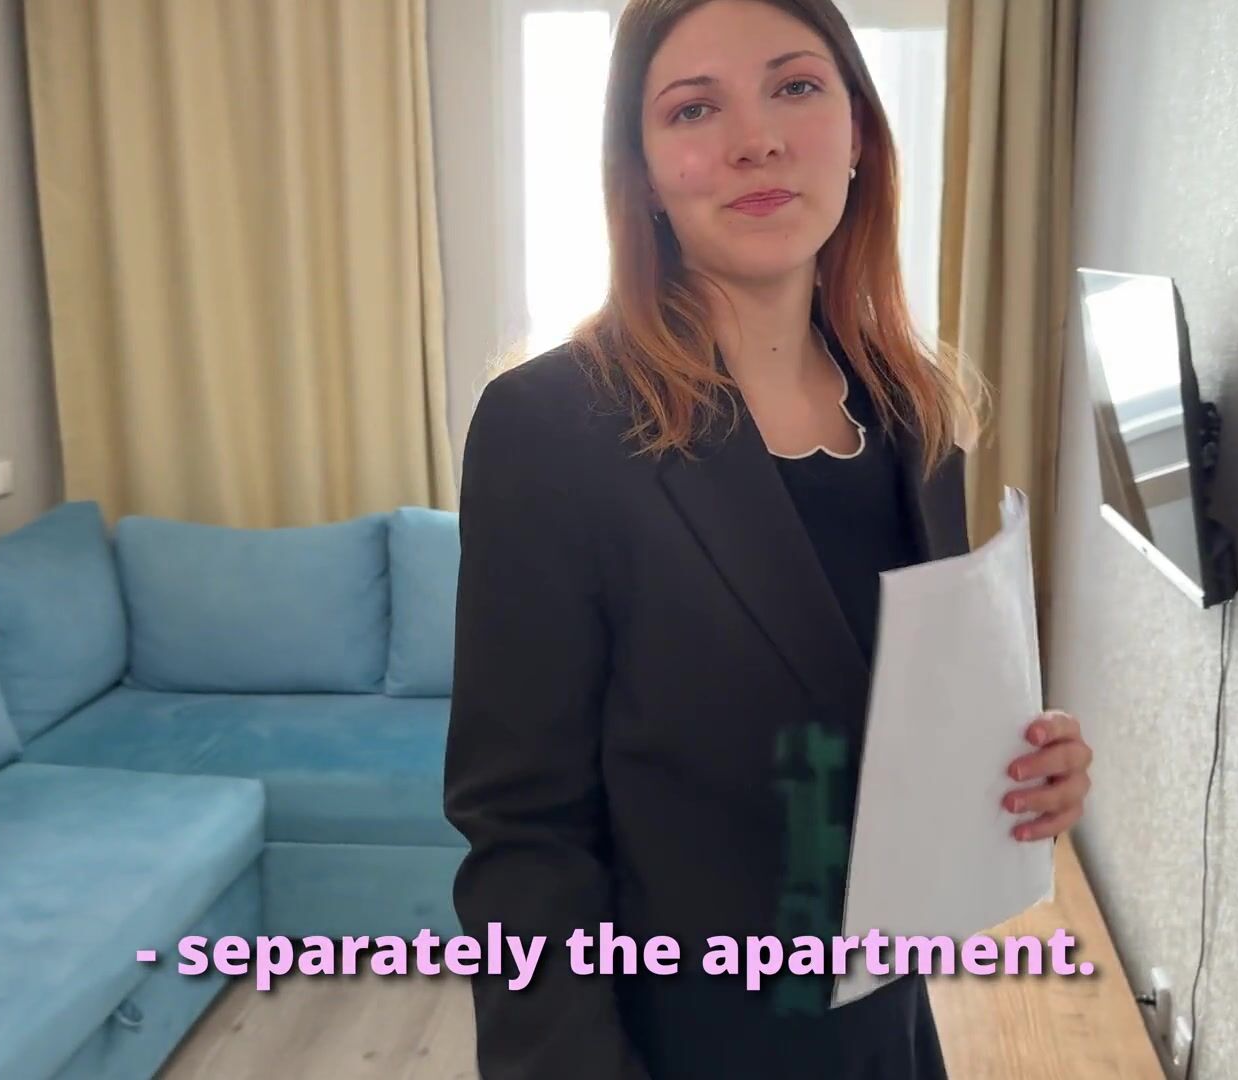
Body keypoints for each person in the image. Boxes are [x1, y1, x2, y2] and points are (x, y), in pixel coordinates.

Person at [442, 1, 1094, 1077]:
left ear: (859, 133)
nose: (758, 139)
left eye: (795, 87)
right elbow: (523, 835)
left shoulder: (916, 417)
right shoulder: (548, 427)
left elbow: (889, 743)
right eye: (694, 108)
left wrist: (1016, 775)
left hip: (888, 1033)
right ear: (643, 173)